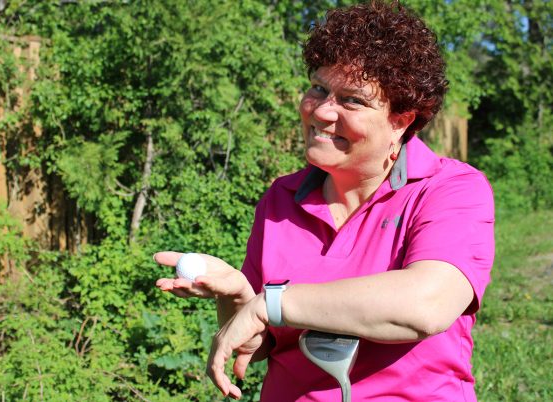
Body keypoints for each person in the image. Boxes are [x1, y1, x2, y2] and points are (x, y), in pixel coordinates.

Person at [155, 1, 495, 401]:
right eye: (318, 88)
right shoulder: (281, 198)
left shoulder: (448, 189)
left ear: (401, 121)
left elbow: (427, 304)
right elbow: (262, 346)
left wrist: (274, 303)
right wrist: (239, 297)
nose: (321, 111)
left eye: (352, 100)